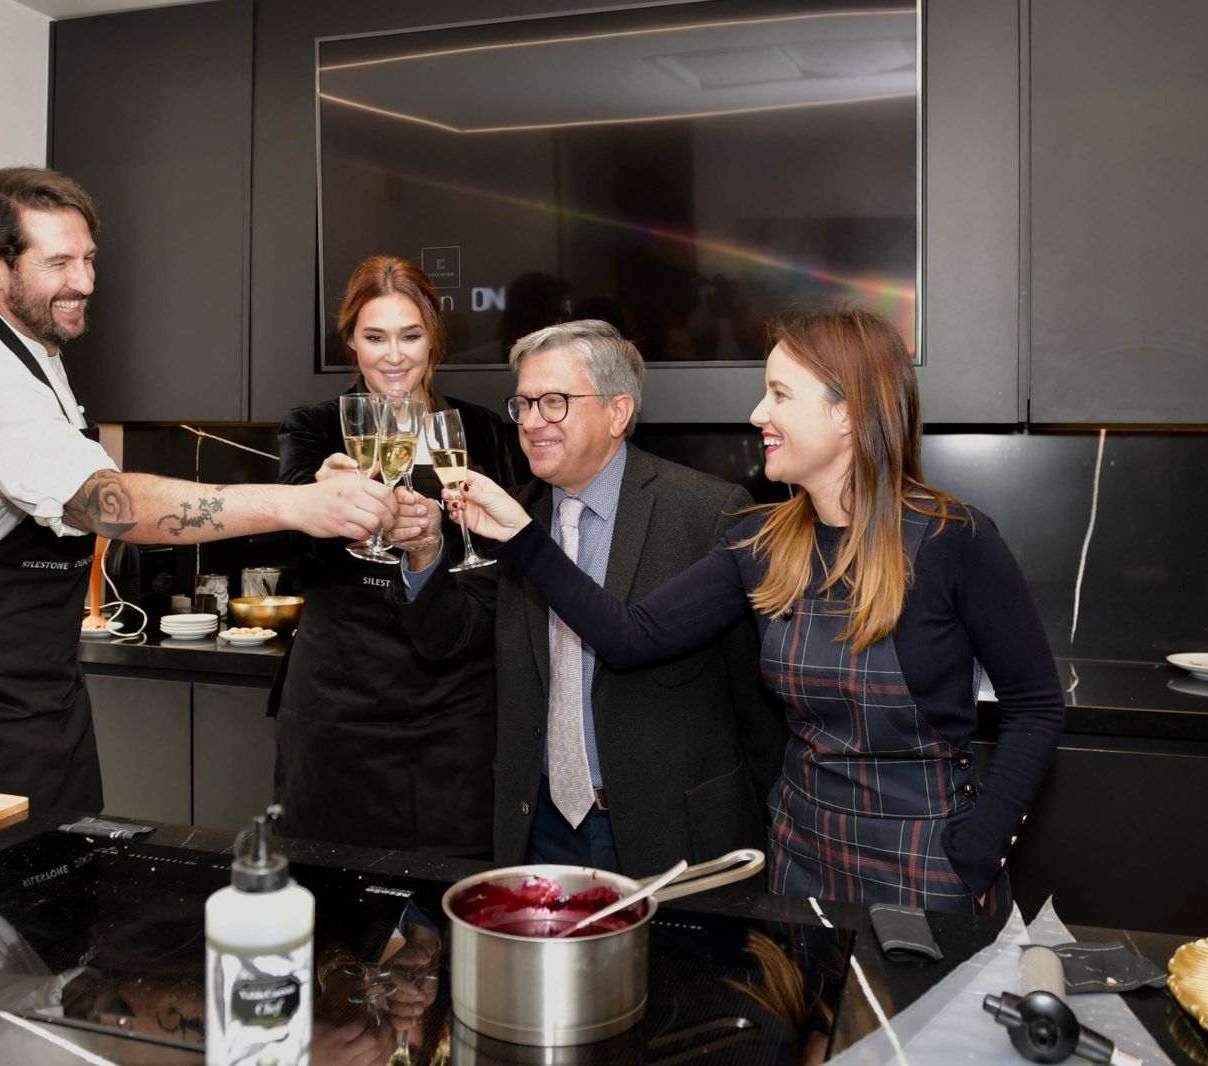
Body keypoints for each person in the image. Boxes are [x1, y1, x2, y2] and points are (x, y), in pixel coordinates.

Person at [445, 309, 1064, 912]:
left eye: (779, 395)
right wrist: (524, 536)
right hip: (801, 859)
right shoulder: (760, 542)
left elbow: (1035, 706)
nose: (757, 414)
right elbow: (632, 636)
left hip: (925, 860)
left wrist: (980, 851)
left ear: (846, 413)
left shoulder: (952, 539)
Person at [0, 167, 396, 811]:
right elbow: (112, 504)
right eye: (58, 263)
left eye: (88, 259)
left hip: (40, 686)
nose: (84, 281)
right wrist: (297, 504)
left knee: (59, 884)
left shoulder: (40, 361)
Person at [390, 319, 779, 877]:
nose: (530, 423)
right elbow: (448, 639)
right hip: (544, 827)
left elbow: (755, 696)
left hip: (677, 832)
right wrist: (427, 554)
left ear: (618, 412)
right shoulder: (512, 517)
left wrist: (771, 820)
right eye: (522, 404)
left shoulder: (703, 512)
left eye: (553, 402)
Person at [272, 256, 514, 855]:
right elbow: (297, 551)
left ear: (434, 338)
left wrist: (440, 544)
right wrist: (325, 513)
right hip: (343, 700)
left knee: (448, 899)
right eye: (375, 337)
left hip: (457, 703)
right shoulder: (316, 429)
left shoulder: (481, 431)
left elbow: (506, 558)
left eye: (411, 335)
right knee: (342, 904)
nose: (395, 355)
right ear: (350, 341)